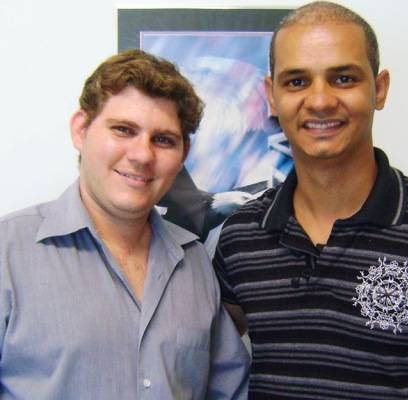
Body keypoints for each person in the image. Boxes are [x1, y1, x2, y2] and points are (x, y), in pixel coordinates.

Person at [213, 2, 408, 399]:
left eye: (344, 78)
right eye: (296, 82)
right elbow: (197, 358)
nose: (319, 101)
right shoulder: (240, 238)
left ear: (379, 89)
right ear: (271, 96)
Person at [0, 49, 249, 399]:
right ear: (81, 129)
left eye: (163, 140)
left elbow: (230, 391)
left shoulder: (193, 263)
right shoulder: (7, 254)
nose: (142, 155)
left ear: (184, 155)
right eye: (123, 130)